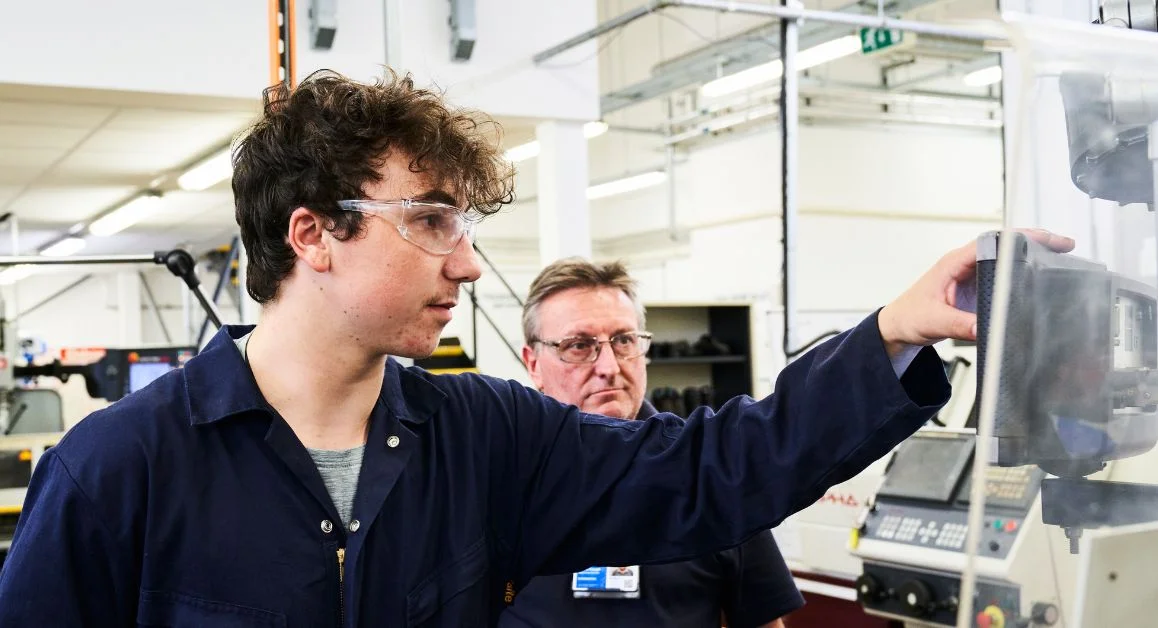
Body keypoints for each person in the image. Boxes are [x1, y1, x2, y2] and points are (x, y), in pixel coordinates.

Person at [0, 69, 1073, 627]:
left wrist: (892, 332)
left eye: (467, 231)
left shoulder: (483, 436)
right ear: (312, 234)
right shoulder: (117, 471)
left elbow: (710, 469)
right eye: (431, 221)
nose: (466, 265)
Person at [499, 258, 803, 628]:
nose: (609, 365)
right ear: (533, 363)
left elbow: (762, 619)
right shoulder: (498, 482)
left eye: (624, 340)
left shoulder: (707, 473)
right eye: (579, 345)